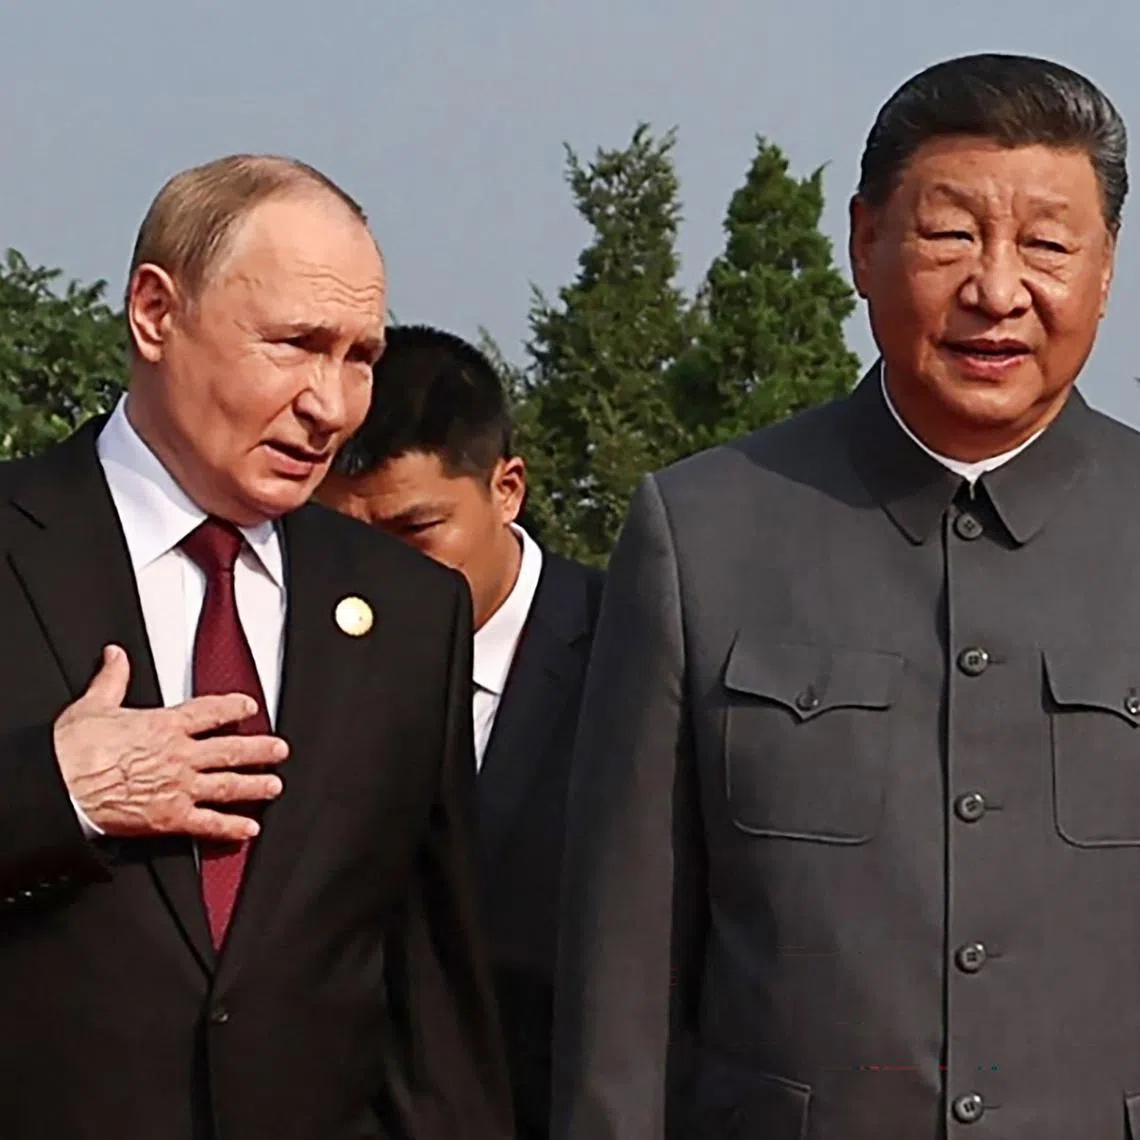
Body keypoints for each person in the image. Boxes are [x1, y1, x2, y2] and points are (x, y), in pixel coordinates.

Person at [551, 53, 1139, 1140]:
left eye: (1048, 245)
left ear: (1105, 271)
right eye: (952, 233)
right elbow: (620, 983)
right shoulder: (702, 532)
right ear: (865, 241)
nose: (998, 290)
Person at [0, 156, 511, 1140]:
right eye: (295, 344)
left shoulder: (408, 611)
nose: (332, 404)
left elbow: (432, 988)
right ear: (155, 311)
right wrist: (54, 793)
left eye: (359, 356)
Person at [318, 324, 604, 1140]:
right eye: (346, 537)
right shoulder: (294, 656)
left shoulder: (636, 654)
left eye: (416, 533)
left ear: (506, 488)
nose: (380, 573)